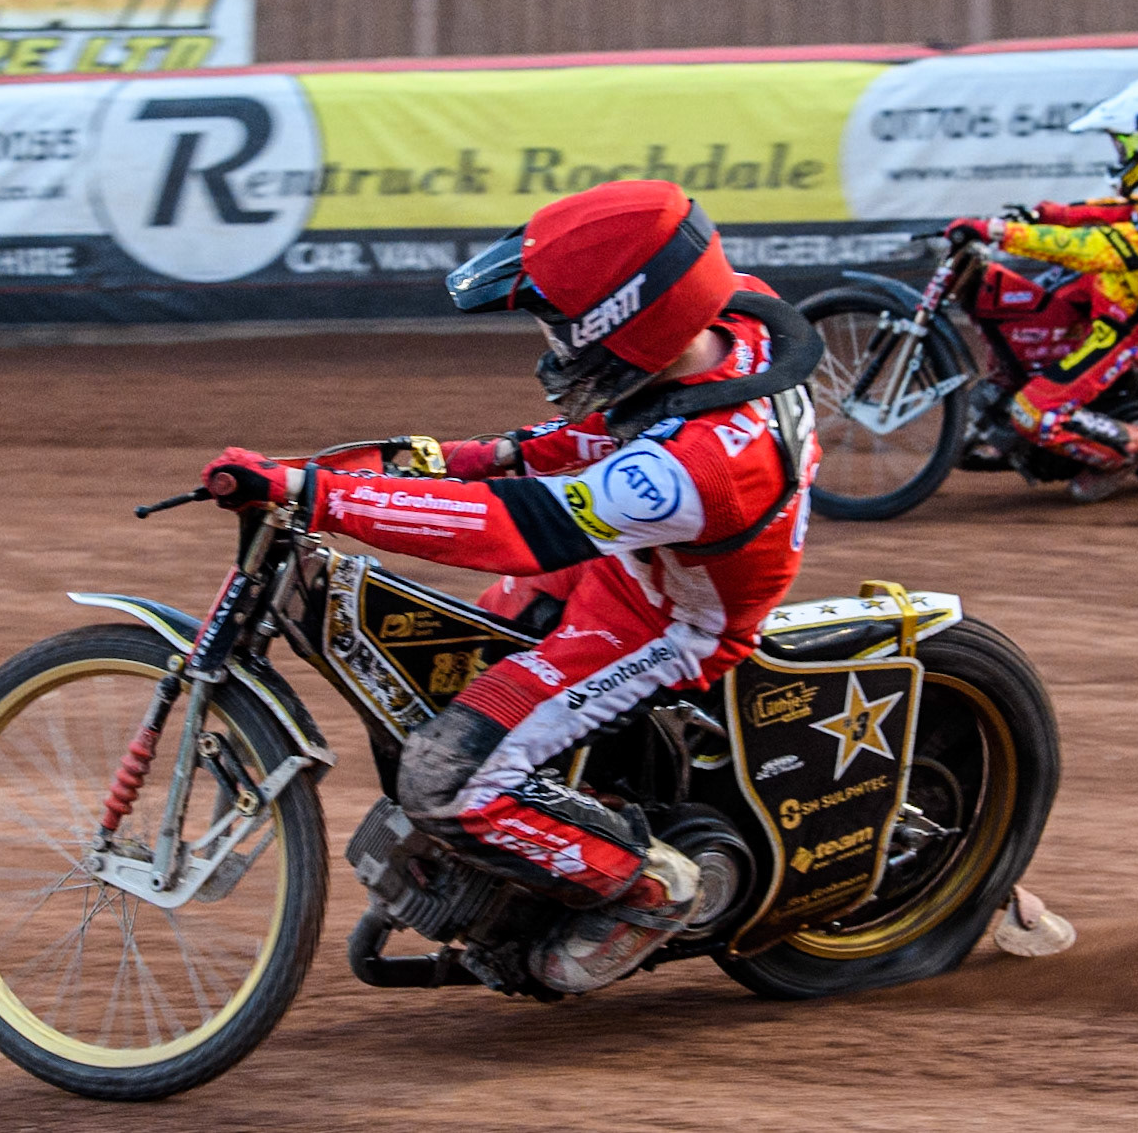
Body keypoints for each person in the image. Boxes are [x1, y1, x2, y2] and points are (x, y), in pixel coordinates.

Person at [203, 180, 819, 994]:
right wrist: (476, 455)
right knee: (450, 661)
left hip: (668, 625)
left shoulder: (698, 468)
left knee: (443, 776)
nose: (550, 345)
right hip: (635, 560)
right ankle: (537, 834)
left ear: (628, 327)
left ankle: (648, 887)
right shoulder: (730, 315)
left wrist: (318, 496)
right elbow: (625, 426)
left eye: (560, 328)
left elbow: (515, 530)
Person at [944, 76, 1138, 502]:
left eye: (1125, 143)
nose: (1121, 153)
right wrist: (1049, 215)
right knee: (1017, 317)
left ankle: (1126, 449)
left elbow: (1102, 249)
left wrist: (1003, 233)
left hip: (1135, 318)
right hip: (1115, 282)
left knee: (1034, 414)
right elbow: (1125, 212)